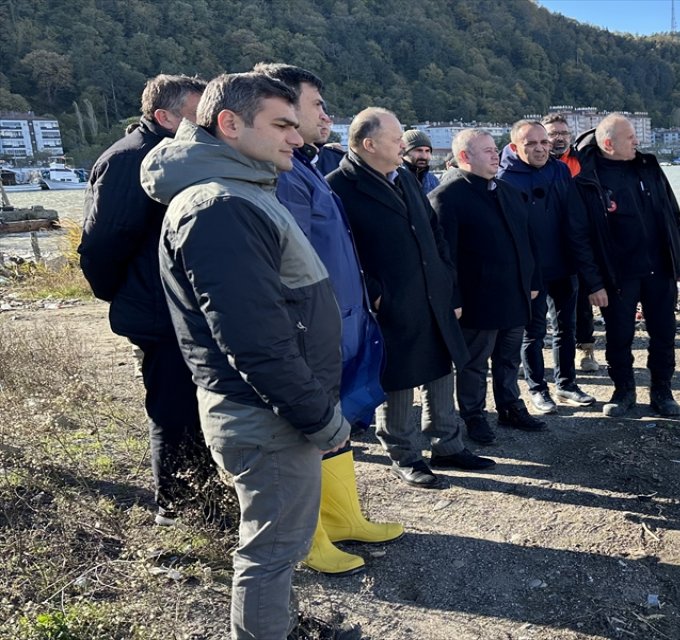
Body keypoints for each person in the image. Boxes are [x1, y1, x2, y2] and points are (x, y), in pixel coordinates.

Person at [142, 72, 348, 640]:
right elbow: (255, 342)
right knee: (271, 553)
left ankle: (278, 626)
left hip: (271, 411)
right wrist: (319, 417)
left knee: (279, 548)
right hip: (267, 415)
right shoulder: (220, 207)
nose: (298, 138)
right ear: (230, 125)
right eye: (281, 125)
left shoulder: (242, 192)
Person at [257, 63, 402, 577]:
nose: (327, 113)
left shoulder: (309, 164)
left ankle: (343, 516)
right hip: (311, 327)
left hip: (339, 319)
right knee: (308, 429)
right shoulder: (284, 173)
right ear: (286, 108)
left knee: (337, 419)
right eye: (317, 103)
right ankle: (310, 538)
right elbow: (287, 262)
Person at [78, 73, 219, 527]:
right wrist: (123, 295)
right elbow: (102, 245)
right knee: (173, 410)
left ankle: (205, 497)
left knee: (198, 407)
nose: (209, 125)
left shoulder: (180, 156)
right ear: (164, 116)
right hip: (158, 312)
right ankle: (175, 509)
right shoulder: (130, 160)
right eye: (198, 117)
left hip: (180, 308)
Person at [328, 108, 493, 486]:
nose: (404, 144)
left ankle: (448, 444)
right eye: (396, 138)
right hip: (390, 301)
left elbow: (433, 231)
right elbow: (338, 252)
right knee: (398, 376)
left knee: (440, 366)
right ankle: (404, 454)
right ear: (369, 144)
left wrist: (447, 278)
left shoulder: (402, 176)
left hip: (431, 291)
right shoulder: (339, 186)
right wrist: (375, 294)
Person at [569, 114, 680, 418]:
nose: (637, 141)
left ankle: (662, 390)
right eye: (630, 137)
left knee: (664, 333)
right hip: (617, 275)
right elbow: (579, 237)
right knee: (618, 336)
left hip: (660, 269)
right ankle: (624, 390)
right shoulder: (587, 179)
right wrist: (593, 283)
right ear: (609, 144)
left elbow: (673, 214)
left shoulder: (648, 167)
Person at [431, 128, 545, 443]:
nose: (496, 155)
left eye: (495, 149)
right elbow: (444, 256)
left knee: (508, 358)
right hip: (476, 298)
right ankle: (475, 416)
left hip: (515, 293)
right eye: (486, 151)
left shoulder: (508, 191)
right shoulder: (446, 198)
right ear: (464, 157)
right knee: (473, 364)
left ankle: (510, 406)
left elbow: (528, 240)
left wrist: (533, 281)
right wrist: (452, 298)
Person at [497, 119, 595, 414]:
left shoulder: (561, 169)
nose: (540, 149)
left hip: (564, 264)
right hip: (531, 271)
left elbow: (574, 217)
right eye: (531, 144)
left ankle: (566, 383)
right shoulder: (504, 179)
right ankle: (538, 389)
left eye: (543, 142)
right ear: (516, 146)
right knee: (533, 333)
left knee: (567, 328)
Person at [543, 113, 598, 373]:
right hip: (547, 242)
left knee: (584, 300)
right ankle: (528, 354)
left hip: (581, 241)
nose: (559, 139)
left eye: (563, 134)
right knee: (533, 303)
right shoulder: (534, 164)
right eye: (553, 134)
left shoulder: (581, 161)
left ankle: (585, 349)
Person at [402, 129, 439, 197]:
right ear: (405, 152)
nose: (424, 156)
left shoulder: (433, 181)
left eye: (427, 151)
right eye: (419, 150)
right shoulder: (395, 178)